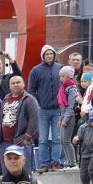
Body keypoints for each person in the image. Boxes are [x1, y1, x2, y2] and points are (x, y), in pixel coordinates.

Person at [27, 44, 62, 172]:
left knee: (57, 138)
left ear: (54, 55)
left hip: (58, 109)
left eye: (51, 54)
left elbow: (67, 86)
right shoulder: (36, 71)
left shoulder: (60, 68)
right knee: (43, 138)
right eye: (47, 54)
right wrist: (38, 103)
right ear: (43, 56)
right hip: (43, 110)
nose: (49, 56)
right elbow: (31, 90)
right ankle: (43, 164)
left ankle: (56, 163)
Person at [0, 76, 40, 174]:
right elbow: (0, 119)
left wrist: (27, 138)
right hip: (5, 142)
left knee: (24, 171)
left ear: (23, 84)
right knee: (6, 173)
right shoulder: (5, 99)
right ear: (9, 86)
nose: (16, 85)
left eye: (18, 82)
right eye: (13, 83)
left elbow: (34, 120)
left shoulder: (29, 99)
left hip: (21, 141)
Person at [57, 66, 79, 169]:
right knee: (62, 141)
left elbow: (70, 106)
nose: (61, 78)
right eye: (60, 76)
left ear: (68, 76)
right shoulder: (63, 88)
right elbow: (62, 106)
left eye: (63, 76)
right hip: (64, 116)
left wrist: (65, 120)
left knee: (66, 140)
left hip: (70, 117)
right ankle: (68, 161)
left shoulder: (71, 89)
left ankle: (73, 162)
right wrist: (60, 119)